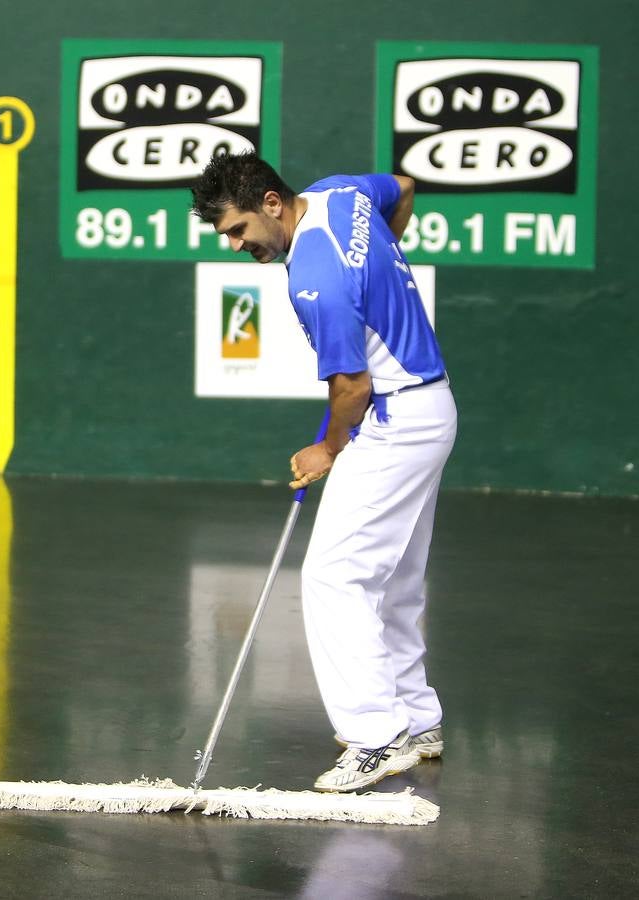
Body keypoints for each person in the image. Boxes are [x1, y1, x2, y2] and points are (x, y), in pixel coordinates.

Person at [191, 153, 456, 792]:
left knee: (336, 576)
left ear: (273, 204)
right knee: (393, 575)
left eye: (237, 230)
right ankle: (416, 720)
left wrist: (328, 451)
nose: (234, 246)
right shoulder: (338, 193)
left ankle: (374, 738)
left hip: (390, 419)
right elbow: (404, 187)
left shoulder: (313, 274)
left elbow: (352, 387)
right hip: (431, 408)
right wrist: (384, 265)